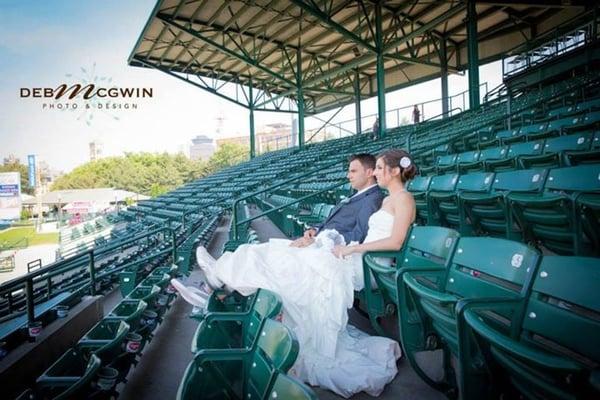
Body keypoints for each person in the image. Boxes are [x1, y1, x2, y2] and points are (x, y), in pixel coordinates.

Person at [186, 149, 417, 398]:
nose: (378, 172)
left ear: (394, 171)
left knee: (283, 259)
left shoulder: (401, 199)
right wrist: (318, 236)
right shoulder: (384, 200)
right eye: (378, 167)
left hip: (365, 263)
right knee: (277, 253)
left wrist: (348, 247)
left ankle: (220, 281)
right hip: (354, 254)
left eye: (382, 168)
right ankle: (220, 280)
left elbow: (394, 242)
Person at [290, 153, 384, 248]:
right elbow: (332, 221)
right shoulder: (356, 194)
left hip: (332, 250)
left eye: (353, 171)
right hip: (320, 240)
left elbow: (359, 235)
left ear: (369, 173)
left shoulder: (373, 198)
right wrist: (315, 229)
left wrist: (319, 242)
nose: (348, 176)